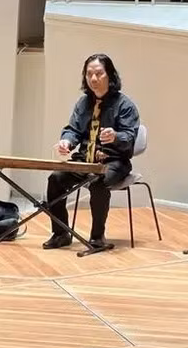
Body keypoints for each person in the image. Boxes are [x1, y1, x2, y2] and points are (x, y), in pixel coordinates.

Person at [43, 54, 140, 251]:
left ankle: (97, 238)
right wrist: (66, 142)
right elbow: (73, 130)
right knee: (55, 179)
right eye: (89, 74)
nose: (93, 79)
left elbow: (130, 138)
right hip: (84, 159)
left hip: (114, 161)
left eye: (98, 74)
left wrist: (115, 136)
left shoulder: (125, 105)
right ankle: (61, 233)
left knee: (97, 183)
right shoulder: (83, 103)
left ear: (109, 76)